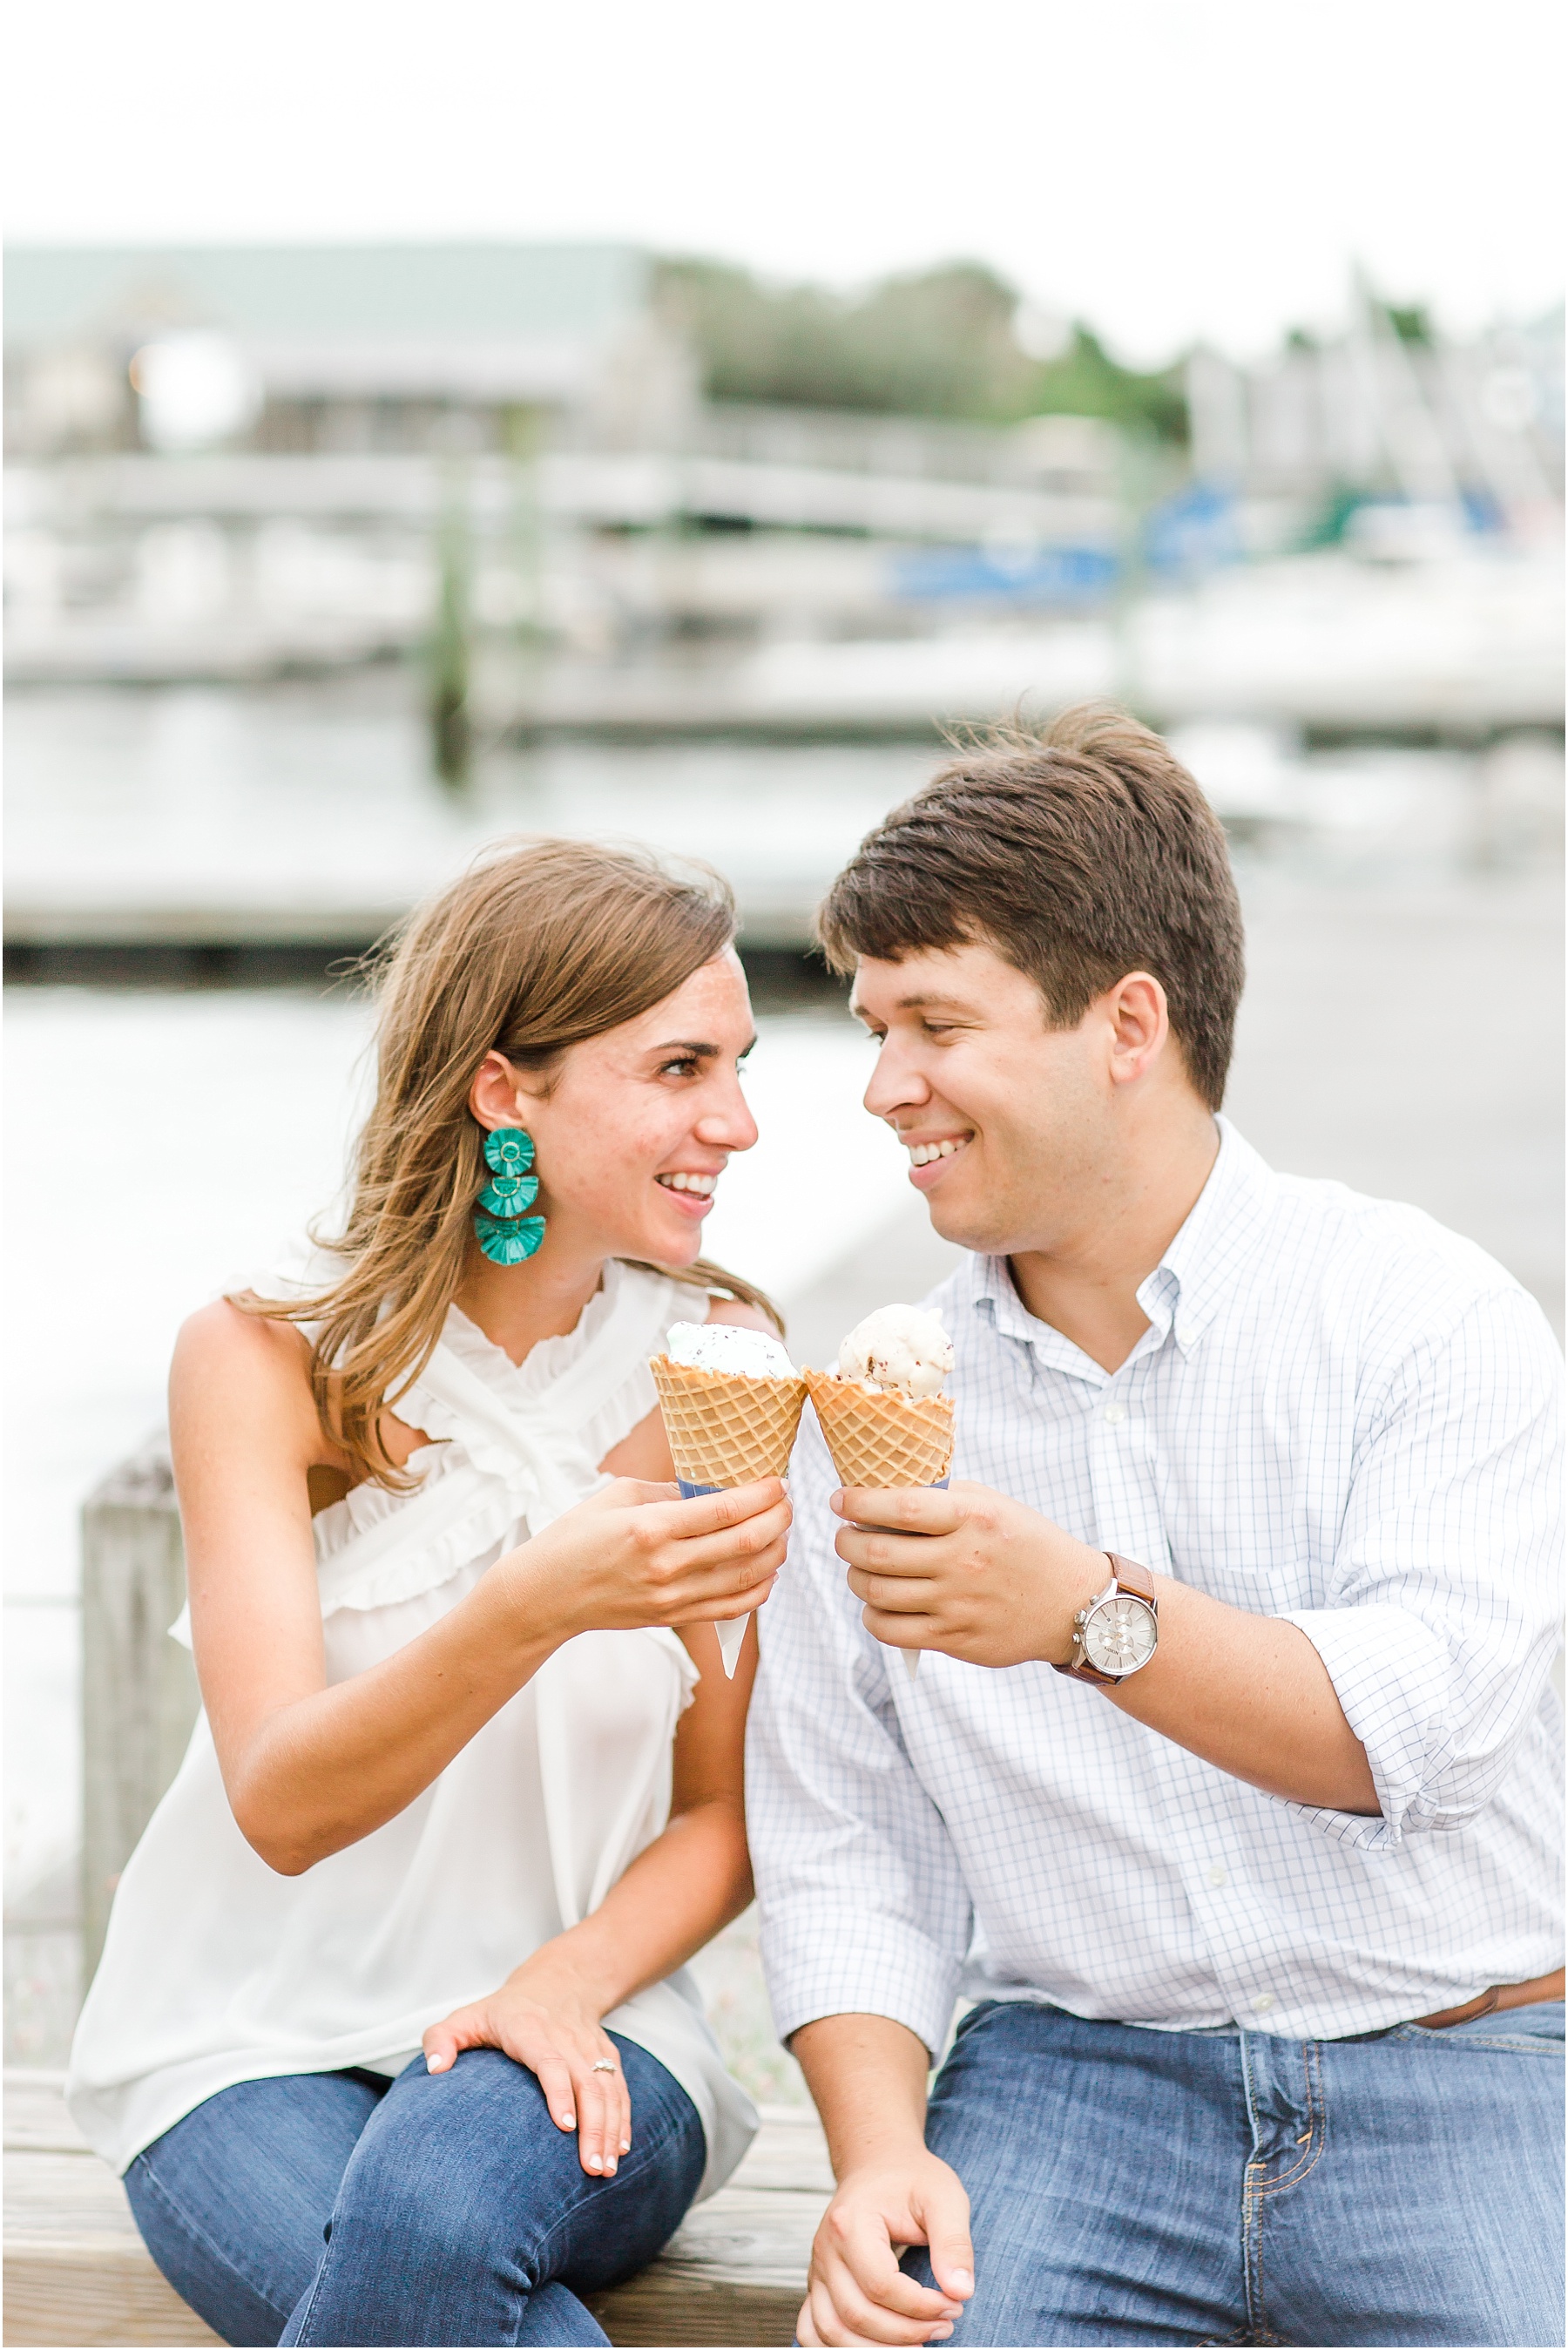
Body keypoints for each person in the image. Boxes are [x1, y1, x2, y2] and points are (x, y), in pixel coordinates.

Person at [747, 708, 1565, 2350]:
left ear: (1128, 1022)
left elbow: (1412, 1728)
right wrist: (880, 2152)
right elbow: (847, 1832)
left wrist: (1080, 1611)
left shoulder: (1426, 1317)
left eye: (935, 1025)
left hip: (1470, 2061)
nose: (885, 1087)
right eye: (871, 1028)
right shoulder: (879, 1404)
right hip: (1076, 2073)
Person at [67, 837, 794, 2348]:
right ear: (501, 1090)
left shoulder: (725, 1370)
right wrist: (534, 1599)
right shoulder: (267, 1363)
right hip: (238, 2036)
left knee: (433, 2207)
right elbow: (284, 1802)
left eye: (737, 1062)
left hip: (591, 2022)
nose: (736, 1120)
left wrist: (556, 1981)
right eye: (677, 1067)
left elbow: (721, 1815)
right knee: (477, 2302)